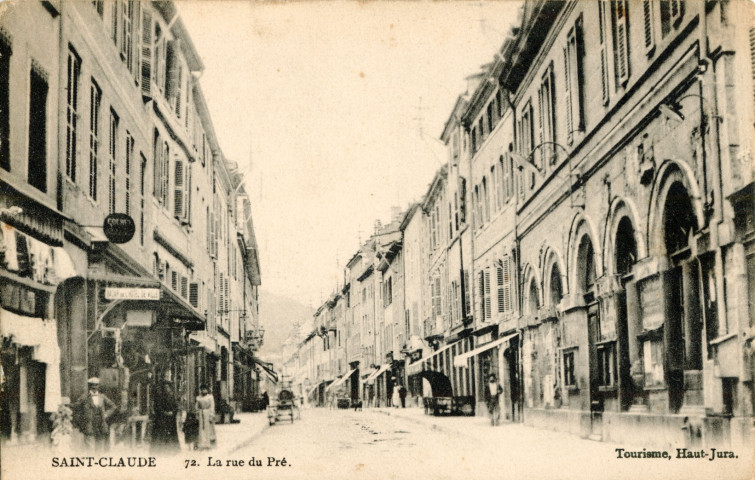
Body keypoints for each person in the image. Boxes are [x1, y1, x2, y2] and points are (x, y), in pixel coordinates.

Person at [73, 377, 115, 451]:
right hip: (89, 424)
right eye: (92, 385)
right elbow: (76, 407)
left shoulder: (102, 397)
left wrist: (106, 414)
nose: (94, 387)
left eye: (96, 385)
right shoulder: (84, 397)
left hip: (101, 424)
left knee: (100, 447)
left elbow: (113, 406)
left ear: (98, 386)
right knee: (90, 448)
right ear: (89, 386)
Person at [150, 380, 180, 455]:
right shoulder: (160, 397)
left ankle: (172, 451)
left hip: (171, 420)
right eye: (165, 387)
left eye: (168, 387)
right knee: (161, 436)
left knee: (171, 436)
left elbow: (176, 407)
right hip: (162, 420)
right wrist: (166, 413)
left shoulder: (172, 397)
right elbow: (158, 408)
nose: (167, 389)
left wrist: (173, 412)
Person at [195, 384, 216, 450]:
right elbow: (196, 407)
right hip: (201, 413)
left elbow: (212, 406)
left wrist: (211, 415)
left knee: (208, 428)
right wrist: (198, 413)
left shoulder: (210, 397)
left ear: (207, 390)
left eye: (205, 389)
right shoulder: (198, 398)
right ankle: (201, 444)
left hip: (207, 413)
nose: (203, 390)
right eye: (202, 389)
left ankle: (208, 444)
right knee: (201, 428)